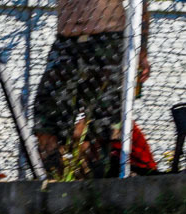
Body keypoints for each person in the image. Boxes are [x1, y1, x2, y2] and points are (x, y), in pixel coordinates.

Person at [32, 0, 149, 178]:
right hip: (66, 41)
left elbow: (142, 4)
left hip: (107, 40)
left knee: (101, 128)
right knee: (46, 119)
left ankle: (93, 187)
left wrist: (141, 51)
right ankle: (56, 182)